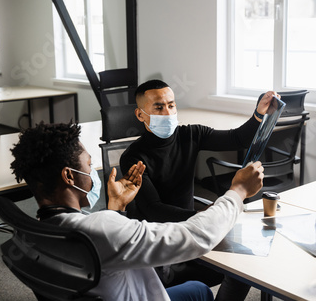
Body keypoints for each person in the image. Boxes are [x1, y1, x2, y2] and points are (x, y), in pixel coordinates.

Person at [10, 121, 264, 301]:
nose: (92, 172)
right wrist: (238, 191)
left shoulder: (30, 231)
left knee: (198, 289)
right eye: (88, 164)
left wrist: (116, 208)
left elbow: (106, 247)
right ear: (69, 176)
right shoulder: (97, 229)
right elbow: (195, 237)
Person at [119, 79, 279, 300]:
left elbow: (238, 138)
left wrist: (258, 115)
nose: (167, 112)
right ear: (140, 115)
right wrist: (205, 218)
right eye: (158, 106)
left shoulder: (191, 134)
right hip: (161, 242)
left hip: (194, 230)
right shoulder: (133, 157)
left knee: (244, 266)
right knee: (215, 274)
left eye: (171, 105)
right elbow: (153, 209)